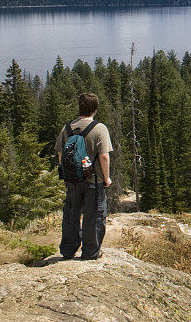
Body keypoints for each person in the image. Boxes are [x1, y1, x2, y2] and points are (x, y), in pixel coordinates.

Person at [55, 92, 113, 260]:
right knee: (93, 216)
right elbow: (104, 156)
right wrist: (107, 178)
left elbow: (61, 153)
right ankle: (90, 252)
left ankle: (68, 250)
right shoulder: (99, 128)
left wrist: (66, 173)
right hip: (93, 181)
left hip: (72, 180)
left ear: (79, 107)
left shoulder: (67, 128)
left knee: (71, 216)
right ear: (95, 108)